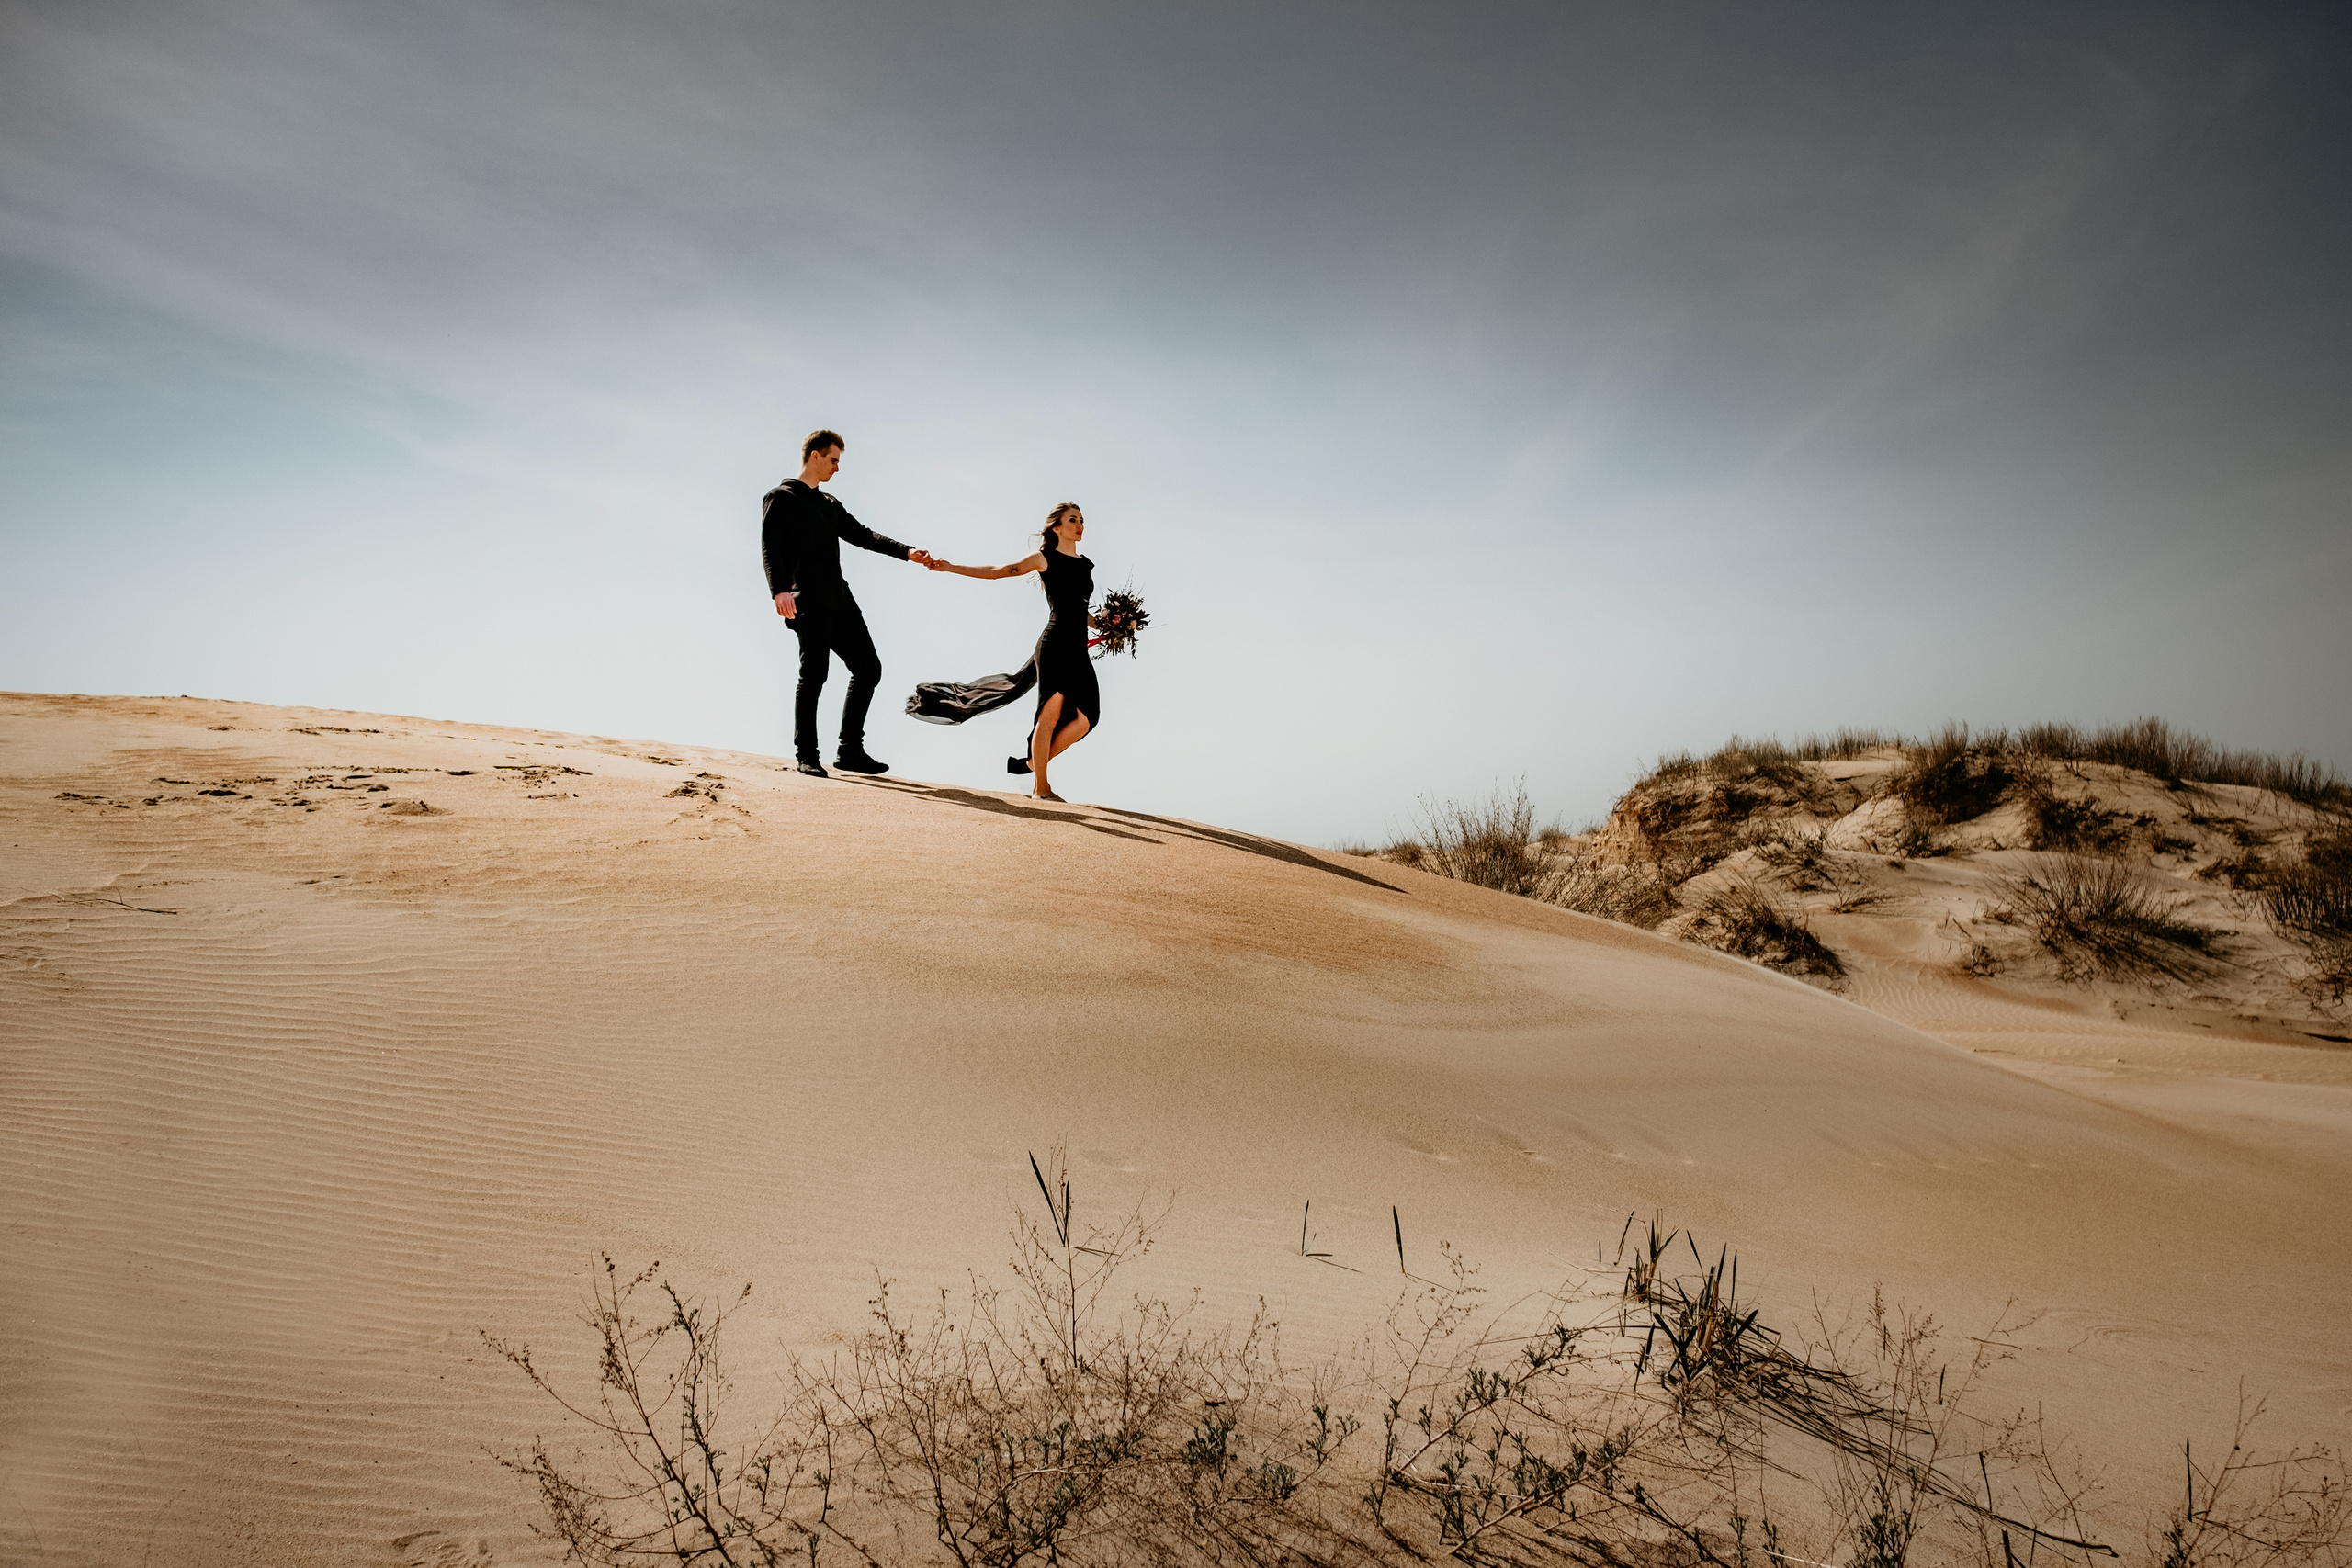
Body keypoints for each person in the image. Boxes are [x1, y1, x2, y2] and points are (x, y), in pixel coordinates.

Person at [761, 430, 934, 777]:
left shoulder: (829, 504)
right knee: (814, 676)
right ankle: (807, 755)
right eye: (833, 460)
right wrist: (778, 590)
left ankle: (849, 750)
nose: (837, 468)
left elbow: (863, 535)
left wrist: (907, 552)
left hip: (841, 601)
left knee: (869, 669)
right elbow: (770, 546)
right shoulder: (781, 497)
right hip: (806, 601)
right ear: (814, 455)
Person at [908, 502, 1100, 803]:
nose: (1080, 525)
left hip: (1077, 646)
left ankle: (1032, 763)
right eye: (1072, 520)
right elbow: (998, 572)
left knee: (1088, 717)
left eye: (1082, 520)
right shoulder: (1043, 558)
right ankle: (1041, 788)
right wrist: (951, 566)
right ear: (1056, 527)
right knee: (1049, 714)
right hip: (1055, 644)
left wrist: (1107, 623)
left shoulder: (1084, 564)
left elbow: (1079, 608)